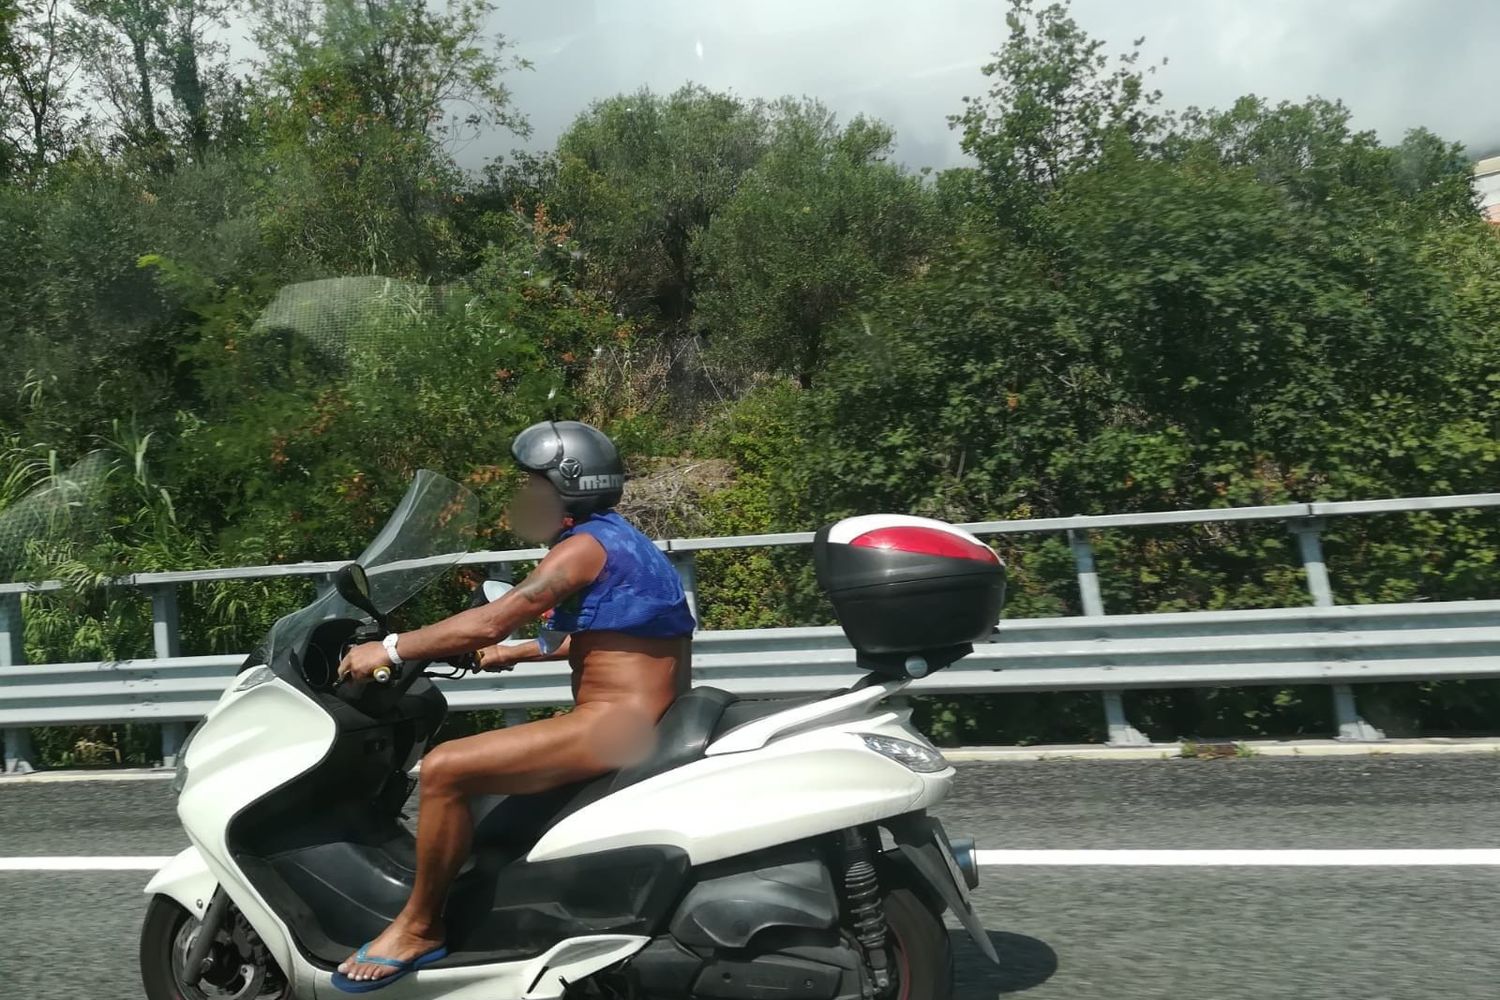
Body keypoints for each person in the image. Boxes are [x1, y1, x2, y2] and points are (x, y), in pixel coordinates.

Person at [332, 420, 696, 990]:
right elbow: (613, 640)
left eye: (534, 487)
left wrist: (392, 646)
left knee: (448, 769)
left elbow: (493, 616)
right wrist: (516, 654)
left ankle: (420, 927)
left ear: (567, 488)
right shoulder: (622, 540)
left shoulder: (582, 549)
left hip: (612, 726)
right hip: (636, 716)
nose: (526, 500)